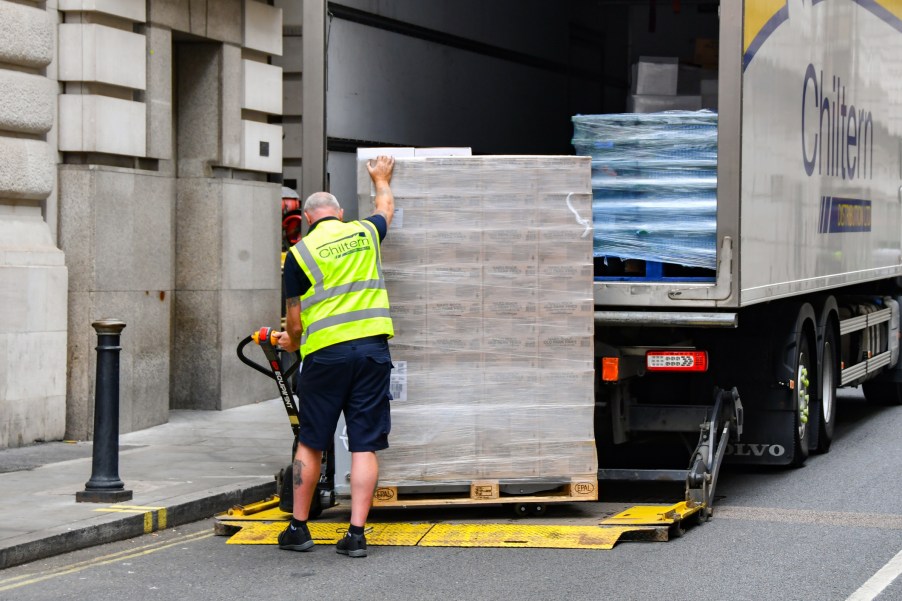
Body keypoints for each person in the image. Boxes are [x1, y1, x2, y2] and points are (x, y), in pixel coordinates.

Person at [274, 155, 396, 558]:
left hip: (325, 358)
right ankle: (356, 535)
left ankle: (299, 528)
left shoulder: (299, 254)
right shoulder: (364, 232)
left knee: (310, 442)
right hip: (372, 351)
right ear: (339, 214)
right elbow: (386, 209)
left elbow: (294, 323)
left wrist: (290, 341)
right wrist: (380, 178)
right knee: (364, 444)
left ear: (309, 220)